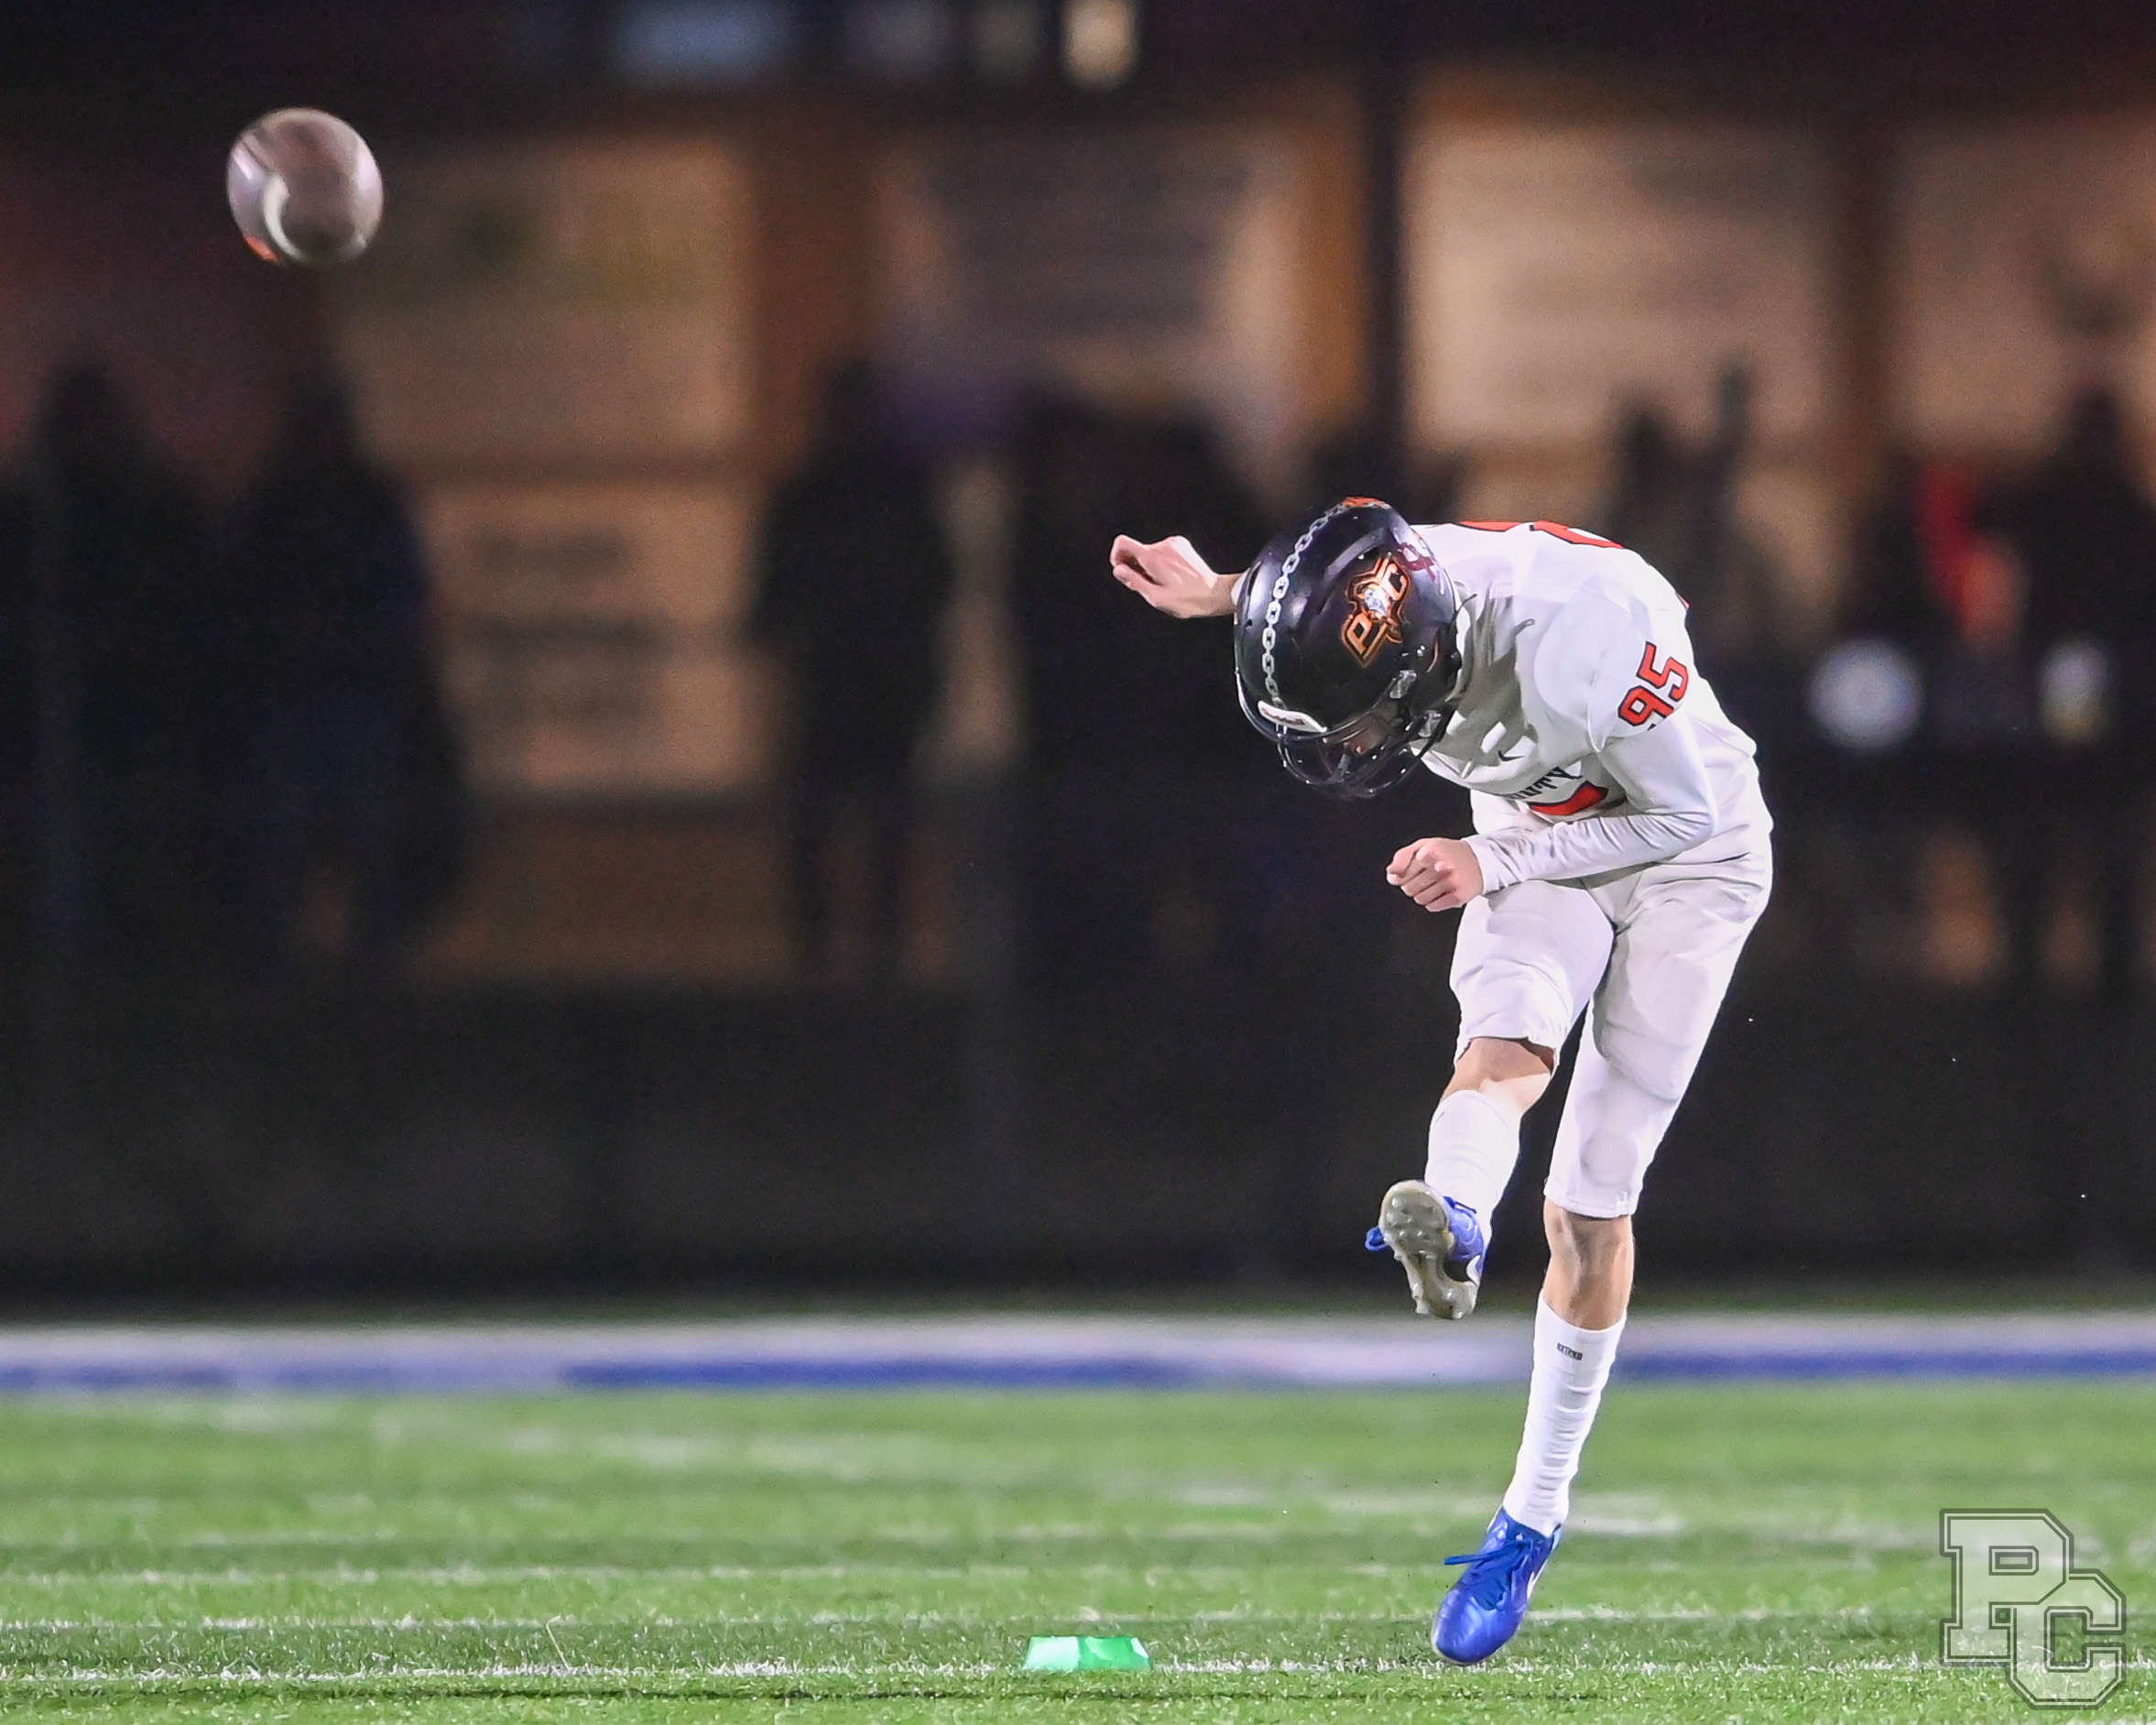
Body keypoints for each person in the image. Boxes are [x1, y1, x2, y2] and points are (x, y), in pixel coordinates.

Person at [1110, 501, 1770, 1664]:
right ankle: (1456, 1216)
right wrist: (1225, 594)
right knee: (1499, 1051)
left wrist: (1490, 855)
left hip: (1687, 853)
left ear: (1423, 656)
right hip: (1535, 819)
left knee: (1587, 1205)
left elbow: (1678, 812)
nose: (1356, 737)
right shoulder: (1398, 584)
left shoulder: (1583, 632)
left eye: (1367, 712)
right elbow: (1329, 584)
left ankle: (1529, 1517)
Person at [227, 372, 464, 976]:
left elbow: (406, 588)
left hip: (348, 692)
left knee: (360, 834)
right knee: (295, 835)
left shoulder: (348, 499)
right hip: (308, 693)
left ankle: (361, 950)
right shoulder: (287, 500)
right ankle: (295, 950)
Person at [751, 361, 953, 982]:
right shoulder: (889, 493)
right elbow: (936, 579)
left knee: (849, 828)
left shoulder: (823, 494)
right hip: (862, 685)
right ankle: (850, 955)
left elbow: (774, 597)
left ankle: (837, 956)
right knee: (855, 829)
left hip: (849, 684)